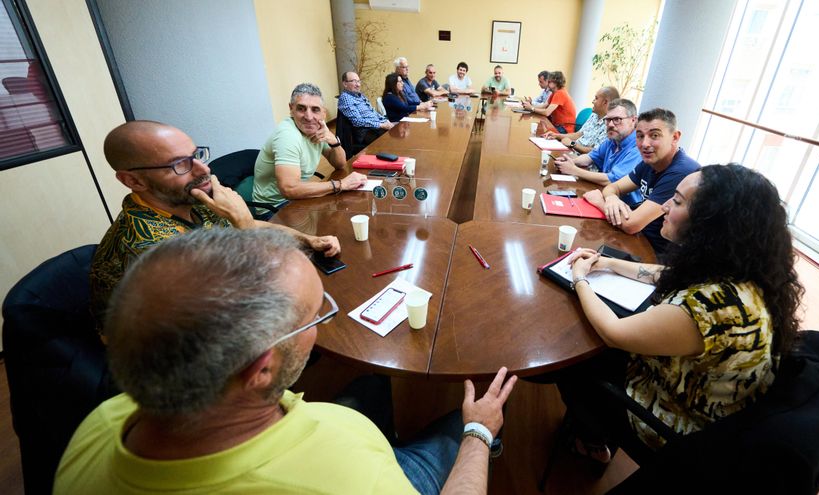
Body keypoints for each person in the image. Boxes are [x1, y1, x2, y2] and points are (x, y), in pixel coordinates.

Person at [56, 228, 518, 495]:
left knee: (371, 383)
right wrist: (479, 432)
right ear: (261, 369)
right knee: (466, 427)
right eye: (315, 315)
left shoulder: (97, 427)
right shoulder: (344, 471)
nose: (321, 323)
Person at [557, 164, 803, 468]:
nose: (664, 205)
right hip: (710, 401)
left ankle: (594, 444)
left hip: (679, 429)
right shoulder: (744, 274)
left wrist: (579, 278)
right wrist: (609, 263)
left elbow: (613, 332)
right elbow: (666, 274)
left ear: (710, 224)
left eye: (677, 200)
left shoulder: (709, 308)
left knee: (577, 364)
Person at [89, 120, 340, 330]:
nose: (204, 169)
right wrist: (243, 225)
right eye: (179, 164)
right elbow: (232, 299)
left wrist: (308, 240)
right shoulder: (147, 247)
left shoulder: (189, 200)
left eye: (196, 155)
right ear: (133, 180)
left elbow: (249, 225)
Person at [585, 108, 700, 254]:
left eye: (655, 135)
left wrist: (599, 202)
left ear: (675, 137)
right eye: (639, 136)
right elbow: (612, 188)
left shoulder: (681, 172)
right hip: (636, 238)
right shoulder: (649, 161)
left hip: (656, 254)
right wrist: (612, 199)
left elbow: (632, 225)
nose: (645, 143)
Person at [253, 83, 366, 209]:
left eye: (315, 109)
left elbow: (340, 163)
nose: (309, 117)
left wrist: (333, 141)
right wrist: (340, 184)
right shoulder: (287, 136)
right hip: (276, 208)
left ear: (323, 113)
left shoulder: (317, 129)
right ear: (291, 109)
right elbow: (289, 189)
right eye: (301, 108)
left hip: (296, 199)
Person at [553, 98, 642, 206]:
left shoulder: (638, 148)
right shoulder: (612, 140)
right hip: (603, 196)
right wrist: (570, 161)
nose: (610, 125)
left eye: (617, 119)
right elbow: (589, 158)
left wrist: (574, 170)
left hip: (625, 207)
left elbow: (612, 180)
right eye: (608, 120)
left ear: (633, 120)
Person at [543, 86, 619, 154]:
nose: (592, 101)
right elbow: (579, 134)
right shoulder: (594, 115)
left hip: (584, 161)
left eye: (596, 98)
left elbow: (596, 152)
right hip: (572, 151)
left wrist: (572, 144)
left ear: (605, 102)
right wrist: (557, 136)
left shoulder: (610, 125)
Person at [336, 71, 394, 146]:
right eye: (354, 81)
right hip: (366, 132)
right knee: (394, 138)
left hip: (376, 128)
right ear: (345, 84)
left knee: (398, 128)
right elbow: (357, 121)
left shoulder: (360, 96)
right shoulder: (345, 97)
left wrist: (386, 121)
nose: (358, 84)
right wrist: (381, 125)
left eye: (358, 81)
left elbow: (373, 112)